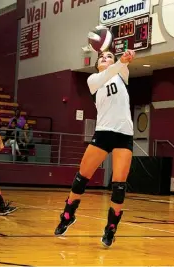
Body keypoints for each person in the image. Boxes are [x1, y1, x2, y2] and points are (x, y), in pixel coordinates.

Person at [54, 49, 136, 248]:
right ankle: (67, 215)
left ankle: (111, 229)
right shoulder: (93, 80)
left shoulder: (122, 73)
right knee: (81, 178)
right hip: (103, 134)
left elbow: (119, 68)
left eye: (109, 56)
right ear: (97, 64)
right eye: (102, 57)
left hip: (124, 135)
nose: (105, 58)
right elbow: (108, 73)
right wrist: (119, 61)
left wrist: (124, 60)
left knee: (119, 186)